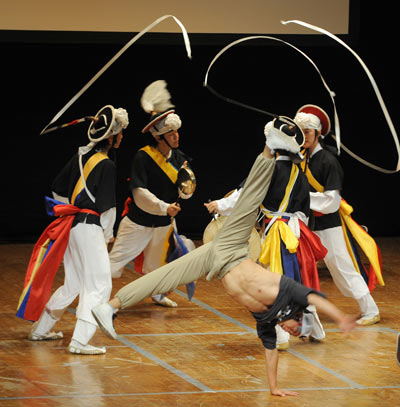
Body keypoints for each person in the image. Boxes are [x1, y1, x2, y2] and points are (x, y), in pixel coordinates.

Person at [92, 117, 357, 396]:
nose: (294, 332)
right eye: (297, 328)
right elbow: (315, 297)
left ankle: (110, 307)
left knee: (162, 278)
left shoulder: (268, 321)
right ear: (294, 313)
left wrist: (275, 388)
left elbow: (271, 355)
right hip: (233, 246)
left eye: (296, 333)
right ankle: (271, 146)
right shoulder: (285, 290)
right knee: (251, 196)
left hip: (218, 262)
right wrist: (341, 319)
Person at [204, 122, 328, 350]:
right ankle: (314, 329)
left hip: (275, 234)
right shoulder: (298, 173)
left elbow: (244, 195)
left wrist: (219, 205)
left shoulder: (268, 168)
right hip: (296, 233)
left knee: (276, 282)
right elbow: (305, 210)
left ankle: (281, 337)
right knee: (297, 282)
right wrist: (296, 232)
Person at [25, 105, 129, 354]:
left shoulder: (80, 156)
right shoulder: (106, 164)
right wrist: (106, 235)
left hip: (72, 227)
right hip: (90, 228)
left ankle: (41, 329)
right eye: (121, 133)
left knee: (74, 282)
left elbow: (57, 189)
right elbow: (107, 206)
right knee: (99, 284)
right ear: (112, 136)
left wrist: (71, 210)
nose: (123, 137)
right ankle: (80, 341)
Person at [108, 80, 194, 308]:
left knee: (158, 265)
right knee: (113, 263)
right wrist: (165, 207)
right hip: (138, 221)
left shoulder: (178, 157)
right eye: (171, 133)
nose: (176, 136)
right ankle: (96, 295)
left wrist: (184, 192)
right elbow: (139, 193)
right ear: (159, 137)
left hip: (164, 222)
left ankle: (157, 295)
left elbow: (186, 189)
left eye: (177, 131)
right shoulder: (143, 157)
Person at [294, 104, 383, 326]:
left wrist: (304, 199)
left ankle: (370, 310)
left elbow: (332, 202)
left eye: (307, 132)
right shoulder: (301, 158)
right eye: (300, 131)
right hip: (308, 224)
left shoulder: (328, 161)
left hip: (329, 224)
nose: (303, 136)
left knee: (341, 267)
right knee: (299, 266)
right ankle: (302, 312)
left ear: (317, 133)